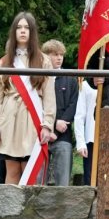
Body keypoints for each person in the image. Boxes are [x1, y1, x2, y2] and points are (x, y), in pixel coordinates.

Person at [0, 12, 55, 185]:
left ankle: (28, 211)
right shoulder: (4, 62)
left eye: (27, 28)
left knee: (29, 169)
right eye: (19, 27)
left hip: (32, 118)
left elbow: (49, 96)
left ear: (32, 32)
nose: (23, 31)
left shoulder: (43, 61)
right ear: (14, 32)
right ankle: (10, 210)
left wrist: (47, 124)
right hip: (9, 118)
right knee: (12, 170)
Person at [42, 39, 79, 186]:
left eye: (61, 55)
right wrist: (53, 122)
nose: (59, 58)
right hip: (41, 135)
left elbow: (74, 103)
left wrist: (62, 121)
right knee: (36, 183)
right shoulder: (38, 77)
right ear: (45, 56)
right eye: (55, 54)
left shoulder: (70, 78)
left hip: (63, 136)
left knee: (62, 182)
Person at [73, 80, 97, 185]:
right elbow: (80, 116)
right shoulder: (86, 85)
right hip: (91, 137)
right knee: (90, 178)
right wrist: (81, 143)